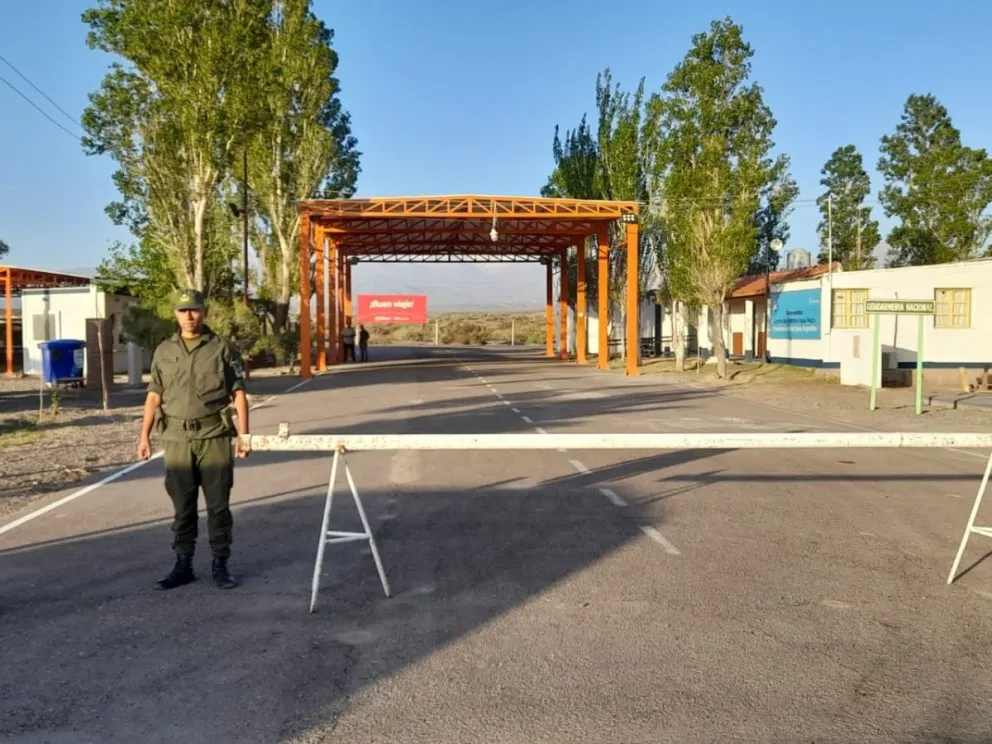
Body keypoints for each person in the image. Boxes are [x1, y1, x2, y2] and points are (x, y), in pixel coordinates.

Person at [137, 289, 250, 591]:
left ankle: (220, 564)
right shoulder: (164, 351)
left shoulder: (222, 348)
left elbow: (238, 394)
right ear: (175, 314)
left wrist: (244, 434)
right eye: (183, 311)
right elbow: (154, 396)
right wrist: (144, 436)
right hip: (176, 437)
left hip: (214, 436)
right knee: (183, 505)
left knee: (218, 506)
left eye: (195, 310)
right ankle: (183, 564)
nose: (189, 316)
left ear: (204, 312)